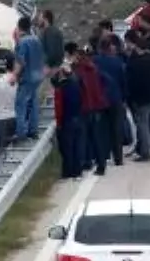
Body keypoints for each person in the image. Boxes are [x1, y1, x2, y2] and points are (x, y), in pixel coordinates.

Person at [124, 30, 150, 161]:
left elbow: (132, 82)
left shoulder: (135, 64)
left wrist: (131, 98)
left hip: (141, 99)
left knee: (143, 126)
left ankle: (145, 153)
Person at [71, 44, 109, 177]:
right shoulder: (94, 68)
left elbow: (77, 90)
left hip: (84, 107)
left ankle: (82, 164)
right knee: (96, 137)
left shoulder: (78, 71)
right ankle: (101, 164)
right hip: (96, 107)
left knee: (82, 138)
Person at [93, 38, 128, 167]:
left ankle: (103, 156)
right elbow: (123, 81)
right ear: (110, 48)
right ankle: (118, 157)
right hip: (116, 98)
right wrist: (124, 98)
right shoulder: (117, 62)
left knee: (102, 129)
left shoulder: (95, 62)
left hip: (101, 99)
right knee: (116, 129)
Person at [51, 55, 83, 180]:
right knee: (77, 145)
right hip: (78, 117)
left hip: (66, 120)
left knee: (67, 147)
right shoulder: (77, 84)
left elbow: (59, 108)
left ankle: (68, 172)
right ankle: (77, 170)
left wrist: (59, 123)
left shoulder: (61, 88)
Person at [13, 16, 45, 139]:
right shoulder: (37, 40)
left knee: (21, 104)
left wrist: (14, 75)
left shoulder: (22, 42)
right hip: (38, 76)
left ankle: (21, 133)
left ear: (19, 27)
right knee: (33, 103)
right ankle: (33, 130)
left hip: (27, 77)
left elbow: (21, 62)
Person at [0, 67, 18, 145]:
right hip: (14, 114)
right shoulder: (17, 81)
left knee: (4, 142)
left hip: (2, 116)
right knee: (15, 142)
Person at [36, 9, 65, 74]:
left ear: (45, 19)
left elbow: (52, 52)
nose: (38, 20)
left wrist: (47, 65)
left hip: (50, 69)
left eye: (40, 18)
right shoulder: (47, 32)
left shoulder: (51, 32)